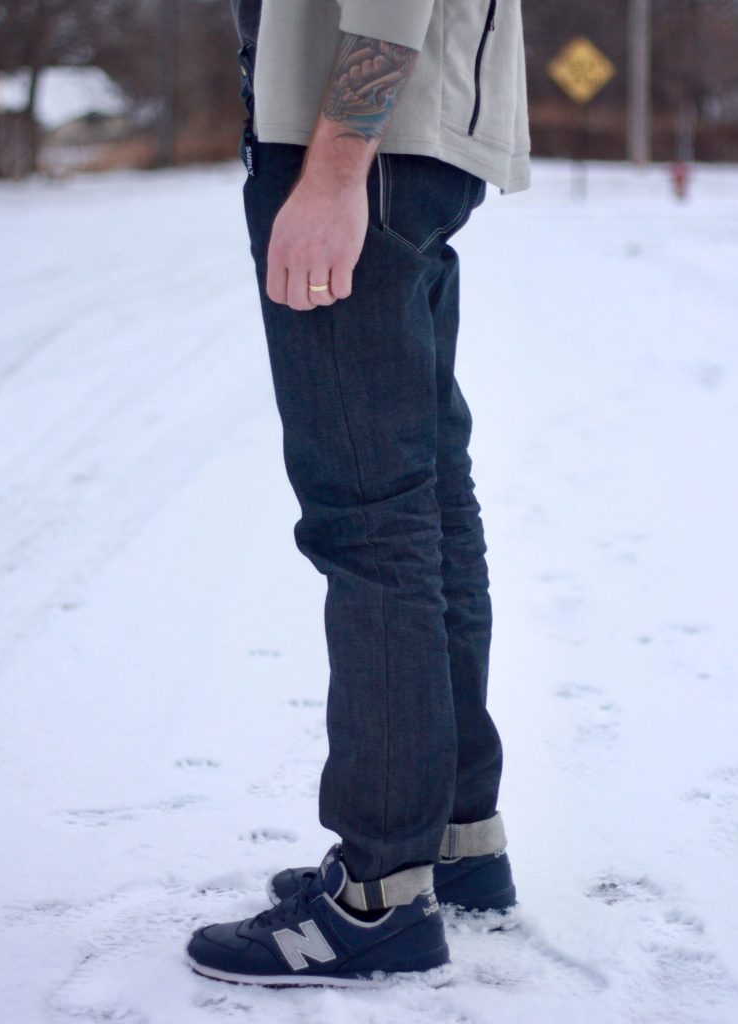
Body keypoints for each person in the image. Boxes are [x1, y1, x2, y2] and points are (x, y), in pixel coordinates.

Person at [187, 0, 531, 986]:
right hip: (422, 144)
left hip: (355, 145)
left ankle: (379, 895)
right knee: (425, 500)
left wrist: (333, 169)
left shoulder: (345, 160)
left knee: (370, 515)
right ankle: (456, 839)